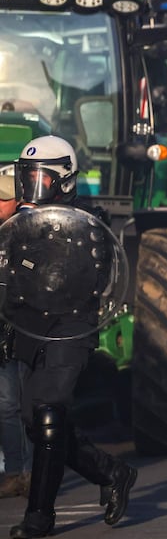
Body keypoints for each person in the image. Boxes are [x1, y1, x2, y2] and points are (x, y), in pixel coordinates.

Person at [5, 136, 137, 538]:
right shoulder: (18, 228)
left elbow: (86, 280)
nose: (31, 187)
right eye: (27, 177)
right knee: (37, 421)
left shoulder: (87, 226)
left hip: (71, 329)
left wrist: (45, 238)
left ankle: (39, 517)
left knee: (48, 413)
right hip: (31, 328)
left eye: (41, 178)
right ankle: (111, 472)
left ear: (64, 181)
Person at [0, 174, 32, 500]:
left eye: (3, 199)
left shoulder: (30, 234)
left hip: (27, 331)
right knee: (7, 405)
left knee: (26, 406)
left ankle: (32, 473)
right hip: (3, 332)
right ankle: (14, 472)